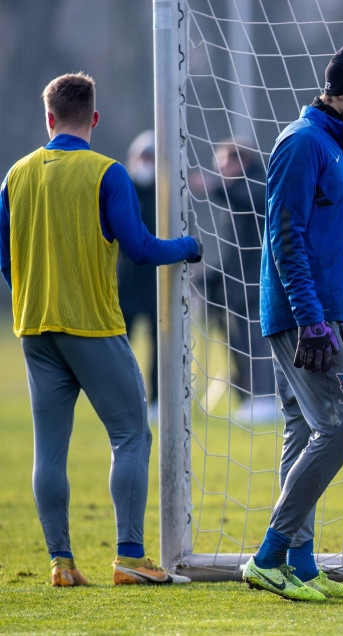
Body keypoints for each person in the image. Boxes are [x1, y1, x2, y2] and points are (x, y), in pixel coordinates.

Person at [0, 72, 202, 587]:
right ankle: (130, 556)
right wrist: (186, 247)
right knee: (131, 433)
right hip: (90, 324)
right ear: (94, 118)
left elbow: (4, 257)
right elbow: (139, 249)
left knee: (50, 450)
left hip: (34, 329)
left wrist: (28, 296)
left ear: (48, 119)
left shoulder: (15, 176)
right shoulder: (106, 173)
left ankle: (61, 563)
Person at [240, 42, 343, 602]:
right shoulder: (301, 143)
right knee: (341, 430)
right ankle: (269, 556)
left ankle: (299, 564)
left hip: (316, 314)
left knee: (302, 433)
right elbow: (286, 237)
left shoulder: (329, 142)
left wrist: (334, 319)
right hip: (302, 316)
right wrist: (314, 321)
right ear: (342, 93)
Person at [208, 138, 276, 421]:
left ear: (241, 162)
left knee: (259, 342)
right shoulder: (235, 193)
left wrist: (213, 187)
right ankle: (249, 398)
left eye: (223, 164)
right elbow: (233, 250)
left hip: (260, 284)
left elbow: (249, 197)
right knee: (238, 343)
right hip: (235, 286)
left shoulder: (260, 184)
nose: (219, 171)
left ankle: (266, 400)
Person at [116, 130, 160, 418]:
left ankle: (157, 400)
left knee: (161, 344)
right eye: (142, 156)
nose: (146, 163)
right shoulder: (122, 190)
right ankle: (123, 399)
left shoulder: (168, 194)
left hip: (158, 283)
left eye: (151, 157)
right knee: (121, 345)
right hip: (126, 283)